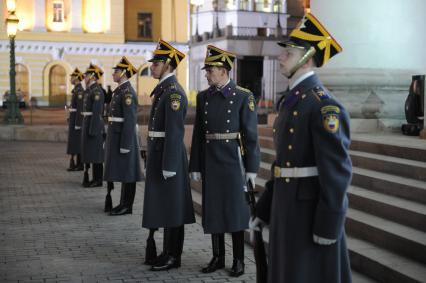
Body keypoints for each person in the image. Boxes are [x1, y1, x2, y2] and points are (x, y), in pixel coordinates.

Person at [251, 13, 352, 283]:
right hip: (287, 207)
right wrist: (264, 209)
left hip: (308, 213)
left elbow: (337, 173)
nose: (280, 57)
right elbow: (283, 164)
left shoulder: (323, 105)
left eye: (289, 52)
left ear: (307, 58)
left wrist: (329, 224)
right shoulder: (293, 101)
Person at [189, 45, 260, 277]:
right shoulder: (203, 97)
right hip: (210, 159)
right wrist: (195, 165)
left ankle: (238, 259)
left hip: (232, 161)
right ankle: (218, 256)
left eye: (210, 70)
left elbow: (251, 137)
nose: (207, 74)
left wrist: (251, 168)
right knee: (213, 210)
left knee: (235, 211)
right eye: (207, 70)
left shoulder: (243, 96)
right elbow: (199, 134)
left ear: (223, 70)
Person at [142, 39, 195, 271]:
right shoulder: (164, 90)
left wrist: (169, 164)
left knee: (173, 208)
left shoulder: (173, 93)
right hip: (161, 156)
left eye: (157, 64)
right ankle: (166, 252)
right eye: (153, 64)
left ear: (168, 65)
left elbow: (174, 133)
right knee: (166, 206)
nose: (152, 67)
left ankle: (173, 255)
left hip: (169, 158)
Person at [104, 56, 142, 215]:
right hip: (117, 135)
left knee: (128, 172)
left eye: (117, 71)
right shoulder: (119, 91)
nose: (114, 74)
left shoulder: (127, 93)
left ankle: (127, 205)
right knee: (124, 171)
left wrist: (126, 144)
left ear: (125, 73)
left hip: (124, 138)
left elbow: (129, 120)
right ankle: (122, 203)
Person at [80, 63, 105, 188]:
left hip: (93, 125)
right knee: (90, 153)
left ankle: (98, 179)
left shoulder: (96, 91)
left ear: (94, 77)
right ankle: (93, 178)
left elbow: (96, 112)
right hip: (88, 122)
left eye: (87, 75)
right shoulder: (89, 90)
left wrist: (93, 130)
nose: (85, 77)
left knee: (96, 154)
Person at [66, 68, 85, 171]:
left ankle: (79, 164)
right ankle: (77, 163)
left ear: (77, 78)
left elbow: (80, 108)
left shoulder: (80, 91)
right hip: (74, 119)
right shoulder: (76, 90)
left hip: (77, 120)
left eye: (72, 77)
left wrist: (78, 123)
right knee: (74, 141)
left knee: (77, 142)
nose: (70, 79)